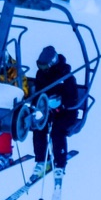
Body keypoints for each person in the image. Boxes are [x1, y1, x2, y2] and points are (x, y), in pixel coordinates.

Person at [24, 46, 81, 184]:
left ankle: (60, 164)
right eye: (40, 66)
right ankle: (41, 160)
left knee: (57, 132)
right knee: (39, 127)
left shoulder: (66, 76)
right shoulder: (41, 75)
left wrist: (61, 103)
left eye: (44, 66)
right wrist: (43, 104)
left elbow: (73, 99)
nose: (42, 69)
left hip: (67, 111)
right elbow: (38, 93)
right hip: (48, 110)